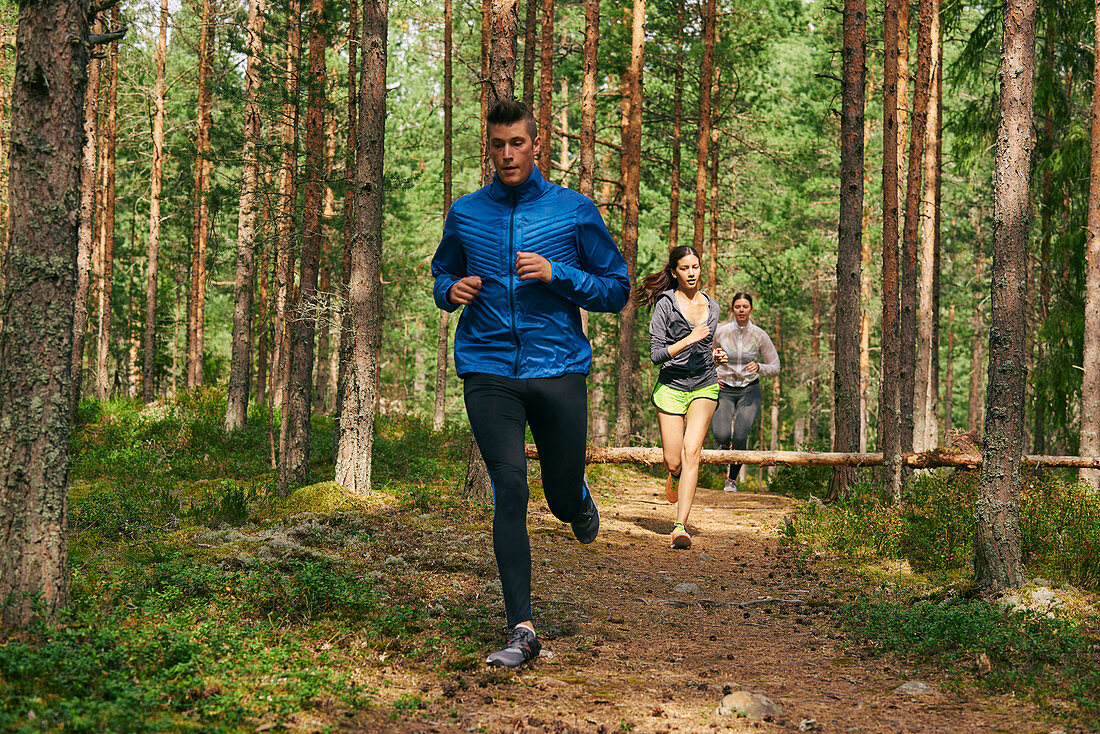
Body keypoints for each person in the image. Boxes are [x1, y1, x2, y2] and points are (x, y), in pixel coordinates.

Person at [431, 99, 630, 669]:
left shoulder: (573, 210)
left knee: (559, 493)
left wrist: (557, 273)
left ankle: (576, 499)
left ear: (535, 145)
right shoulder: (467, 212)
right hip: (488, 367)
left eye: (517, 143)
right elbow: (443, 272)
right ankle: (522, 627)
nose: (507, 154)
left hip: (558, 367)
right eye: (498, 144)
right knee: (509, 489)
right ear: (488, 147)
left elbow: (616, 290)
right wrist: (451, 290)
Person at [639, 245, 723, 549]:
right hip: (672, 387)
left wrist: (716, 355)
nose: (691, 273)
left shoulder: (712, 307)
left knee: (691, 453)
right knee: (674, 461)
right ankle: (673, 475)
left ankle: (680, 525)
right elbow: (655, 355)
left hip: (704, 385)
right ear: (674, 272)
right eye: (685, 268)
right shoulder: (665, 305)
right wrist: (688, 339)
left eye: (696, 267)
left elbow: (704, 348)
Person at [710, 292, 780, 492]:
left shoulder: (759, 335)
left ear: (751, 309)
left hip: (750, 390)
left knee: (741, 435)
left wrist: (759, 367)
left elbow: (775, 366)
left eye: (745, 307)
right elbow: (707, 357)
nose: (741, 310)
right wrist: (713, 375)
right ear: (732, 309)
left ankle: (731, 479)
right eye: (738, 306)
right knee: (721, 434)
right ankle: (726, 445)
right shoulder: (721, 332)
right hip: (724, 388)